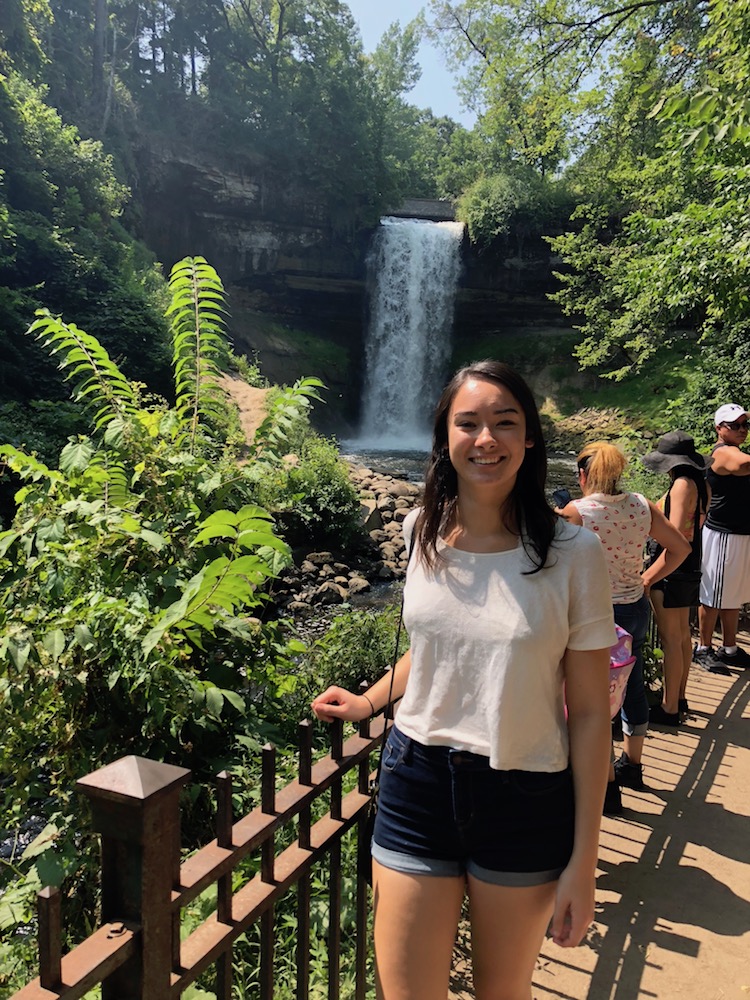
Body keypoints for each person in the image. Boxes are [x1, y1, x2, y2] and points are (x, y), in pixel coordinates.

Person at [312, 361, 615, 1000]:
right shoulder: (419, 529)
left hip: (524, 794)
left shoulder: (572, 554)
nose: (486, 439)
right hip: (415, 782)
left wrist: (583, 863)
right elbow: (437, 649)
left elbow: (590, 714)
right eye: (468, 423)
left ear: (530, 437)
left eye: (505, 423)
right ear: (445, 437)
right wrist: (370, 700)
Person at [558, 443, 690, 811]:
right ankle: (633, 765)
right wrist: (647, 578)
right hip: (634, 607)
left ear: (584, 475)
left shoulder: (577, 512)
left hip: (593, 616)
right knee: (630, 687)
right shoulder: (642, 505)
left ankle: (608, 788)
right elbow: (679, 548)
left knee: (591, 700)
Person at [641, 431, 712, 724]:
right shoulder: (701, 483)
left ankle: (669, 708)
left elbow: (673, 529)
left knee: (672, 640)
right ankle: (679, 697)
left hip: (671, 566)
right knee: (682, 636)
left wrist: (649, 575)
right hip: (690, 563)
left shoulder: (681, 485)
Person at [694, 404, 750, 672]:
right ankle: (702, 648)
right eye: (734, 425)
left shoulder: (735, 451)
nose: (741, 429)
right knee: (713, 595)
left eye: (744, 424)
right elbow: (743, 464)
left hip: (739, 533)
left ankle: (729, 648)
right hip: (723, 535)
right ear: (719, 429)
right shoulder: (723, 454)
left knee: (732, 594)